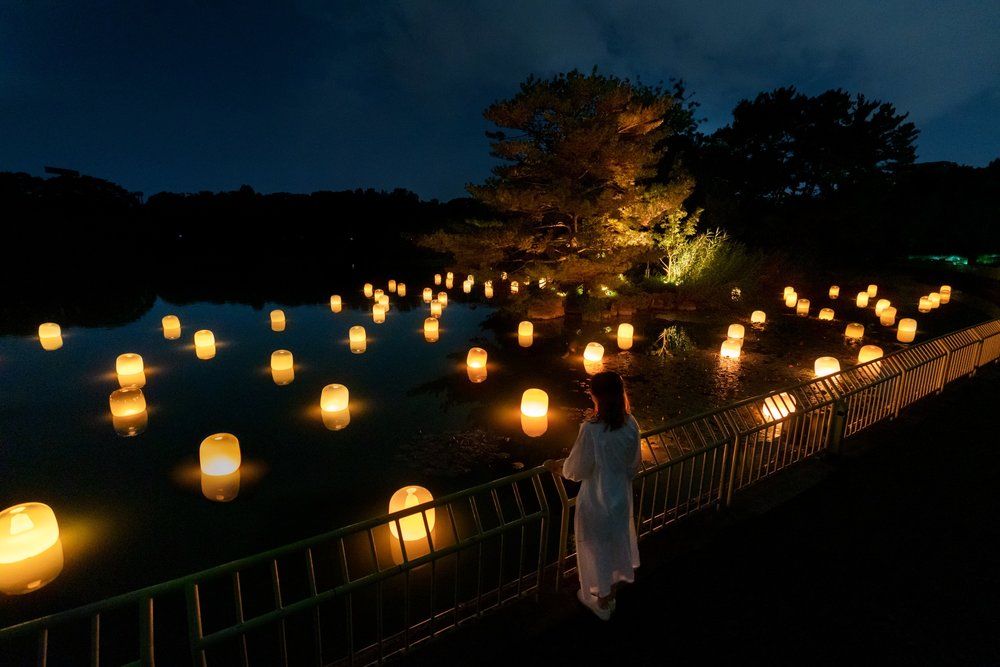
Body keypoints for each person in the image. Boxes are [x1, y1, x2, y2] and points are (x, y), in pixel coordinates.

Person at [544, 370, 641, 621]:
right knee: (615, 542)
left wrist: (558, 467)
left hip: (596, 499)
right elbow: (634, 465)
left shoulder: (592, 430)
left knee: (596, 547)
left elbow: (577, 469)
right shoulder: (631, 424)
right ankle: (609, 595)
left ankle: (602, 602)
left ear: (594, 396)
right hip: (620, 495)